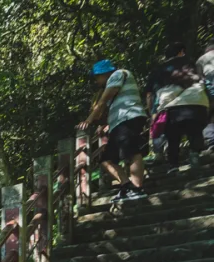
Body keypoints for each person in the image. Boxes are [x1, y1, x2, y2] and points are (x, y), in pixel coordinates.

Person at [80, 60, 149, 201]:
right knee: (106, 160)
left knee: (131, 152)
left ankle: (137, 188)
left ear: (103, 73)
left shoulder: (117, 75)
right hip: (119, 122)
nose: (96, 80)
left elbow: (103, 101)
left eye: (97, 76)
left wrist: (89, 120)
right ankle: (127, 186)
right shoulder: (114, 80)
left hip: (129, 117)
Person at [145, 43, 209, 171]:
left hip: (170, 107)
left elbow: (149, 94)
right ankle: (194, 155)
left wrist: (151, 112)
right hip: (196, 100)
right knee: (195, 131)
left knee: (172, 137)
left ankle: (173, 166)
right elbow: (203, 81)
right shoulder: (191, 63)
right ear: (181, 52)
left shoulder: (157, 70)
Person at [198, 42, 214, 148]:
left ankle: (211, 140)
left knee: (210, 114)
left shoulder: (201, 59)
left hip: (211, 87)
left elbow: (200, 78)